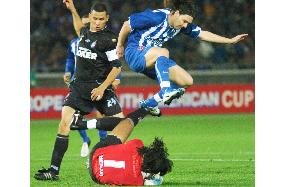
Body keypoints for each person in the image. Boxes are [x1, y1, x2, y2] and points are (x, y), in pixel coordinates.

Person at [34, 0, 125, 180]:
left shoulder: (109, 39)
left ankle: (84, 125)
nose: (97, 22)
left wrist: (102, 87)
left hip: (100, 88)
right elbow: (78, 28)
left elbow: (117, 67)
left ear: (107, 19)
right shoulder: (84, 33)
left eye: (101, 19)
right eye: (95, 18)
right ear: (90, 17)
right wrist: (73, 9)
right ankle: (53, 171)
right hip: (79, 88)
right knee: (63, 124)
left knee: (122, 124)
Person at [116, 0, 248, 113]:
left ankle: (151, 102)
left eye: (187, 23)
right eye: (184, 21)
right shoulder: (156, 17)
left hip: (152, 58)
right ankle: (166, 90)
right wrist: (120, 45)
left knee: (186, 81)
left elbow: (203, 34)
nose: (185, 25)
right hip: (135, 53)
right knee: (164, 52)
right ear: (177, 12)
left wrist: (230, 40)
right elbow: (127, 24)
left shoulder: (181, 25)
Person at [69, 107, 172, 186]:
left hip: (97, 153)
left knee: (127, 122)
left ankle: (144, 109)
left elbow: (137, 150)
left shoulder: (137, 145)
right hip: (96, 176)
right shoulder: (137, 181)